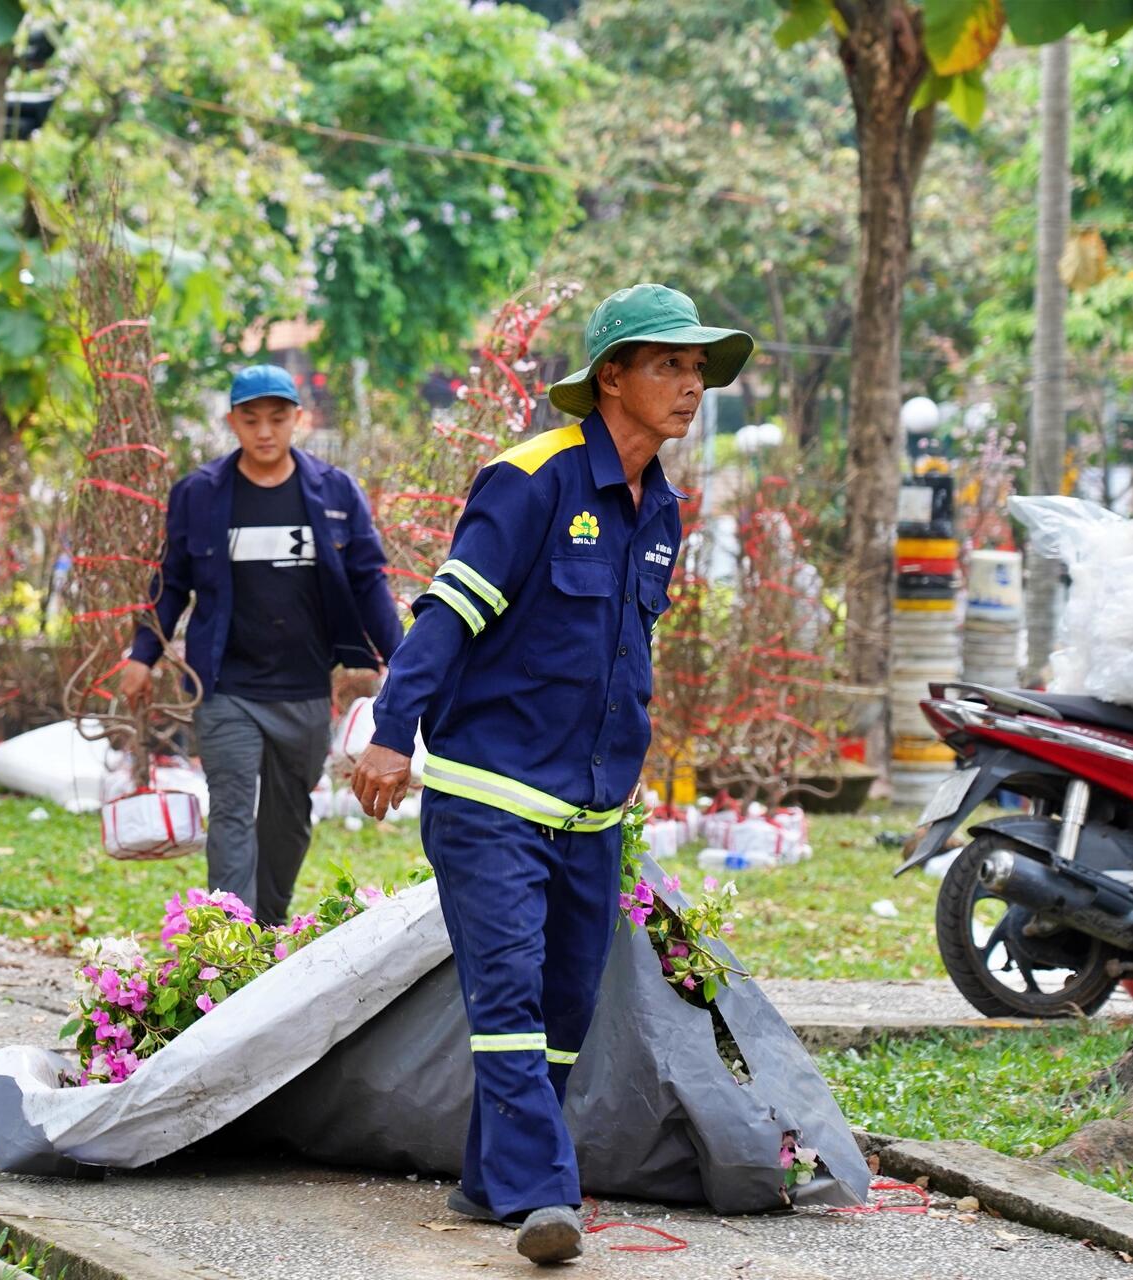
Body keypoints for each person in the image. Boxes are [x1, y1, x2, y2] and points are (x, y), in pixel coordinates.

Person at [351, 285, 754, 1265]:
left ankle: (492, 1177)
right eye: (669, 364)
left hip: (589, 808)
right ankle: (544, 1193)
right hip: (490, 794)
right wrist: (390, 731)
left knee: (568, 1004)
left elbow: (624, 649)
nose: (689, 385)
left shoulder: (660, 505)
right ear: (609, 375)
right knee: (510, 993)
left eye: (698, 368)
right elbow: (446, 615)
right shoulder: (529, 478)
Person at [122, 365, 404, 925]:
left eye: (278, 418)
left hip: (303, 687)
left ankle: (268, 923)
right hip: (224, 686)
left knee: (289, 817)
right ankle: (231, 938)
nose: (265, 431)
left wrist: (401, 660)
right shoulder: (199, 495)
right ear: (233, 423)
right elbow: (171, 582)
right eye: (251, 420)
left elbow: (369, 578)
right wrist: (140, 655)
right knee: (229, 809)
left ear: (298, 418)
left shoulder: (335, 493)